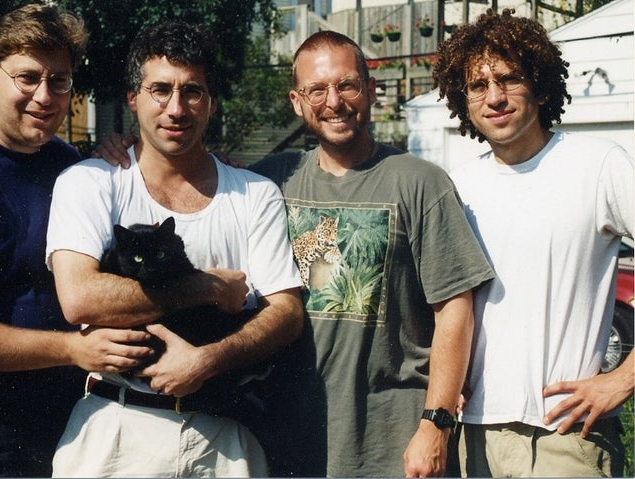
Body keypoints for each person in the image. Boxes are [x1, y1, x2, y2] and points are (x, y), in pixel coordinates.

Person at [97, 30, 495, 477]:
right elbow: (192, 166)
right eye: (317, 90)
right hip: (284, 438)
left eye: (347, 85)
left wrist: (435, 424)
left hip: (391, 442)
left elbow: (455, 311)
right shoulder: (270, 182)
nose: (334, 102)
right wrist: (124, 146)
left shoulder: (421, 182)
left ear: (370, 90)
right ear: (296, 101)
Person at [45, 21, 304, 477]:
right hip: (116, 430)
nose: (176, 108)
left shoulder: (254, 192)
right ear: (133, 98)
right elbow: (81, 298)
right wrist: (205, 287)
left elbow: (286, 314)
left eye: (193, 91)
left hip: (224, 437)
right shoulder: (90, 182)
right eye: (159, 90)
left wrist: (207, 360)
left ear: (212, 101)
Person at [0, 4, 151, 477]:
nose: (44, 96)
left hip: (58, 408)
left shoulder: (67, 164)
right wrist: (70, 350)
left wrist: (124, 156)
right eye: (27, 77)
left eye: (59, 81)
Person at [432, 9, 634, 477]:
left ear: (541, 86)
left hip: (567, 437)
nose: (495, 98)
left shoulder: (598, 165)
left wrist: (622, 379)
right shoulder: (457, 187)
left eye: (509, 79)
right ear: (464, 102)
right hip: (473, 436)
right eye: (478, 86)